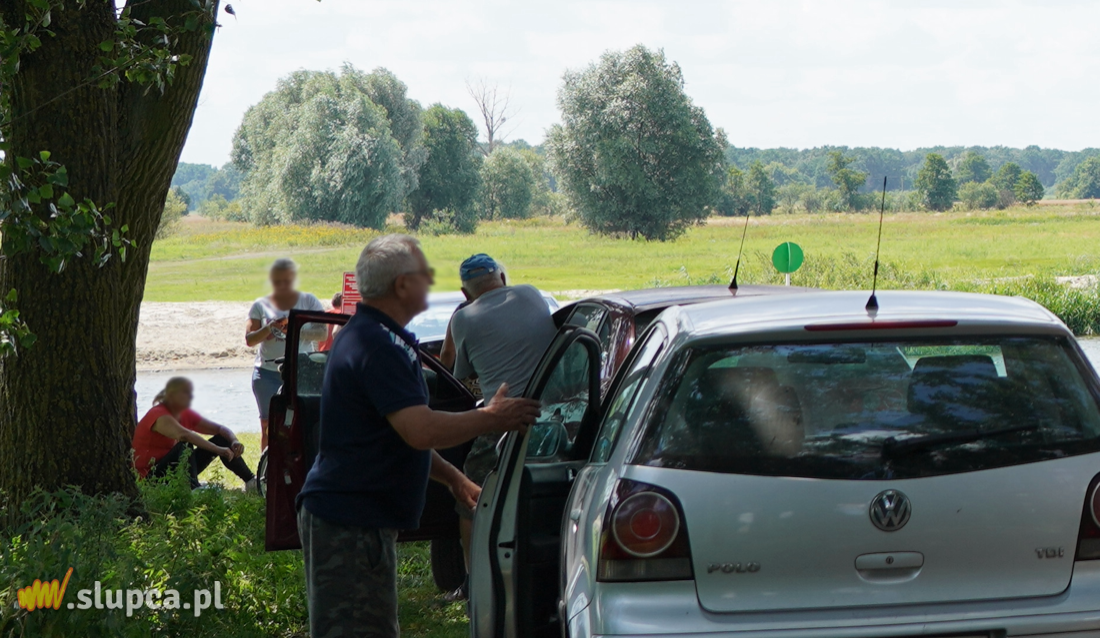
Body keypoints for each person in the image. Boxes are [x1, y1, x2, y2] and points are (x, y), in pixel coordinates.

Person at [296, 234, 541, 638]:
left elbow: (394, 436)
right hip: (351, 524)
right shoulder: (378, 345)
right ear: (402, 285)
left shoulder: (375, 335)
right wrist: (492, 417)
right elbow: (420, 428)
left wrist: (455, 480)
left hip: (356, 521)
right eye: (424, 271)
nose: (431, 278)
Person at [445, 253, 558, 600]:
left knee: (469, 493)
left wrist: (456, 323)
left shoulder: (465, 318)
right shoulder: (531, 293)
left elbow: (452, 372)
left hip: (504, 418)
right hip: (555, 414)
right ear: (503, 278)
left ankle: (473, 579)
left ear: (465, 294)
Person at [245, 258, 325, 449]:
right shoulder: (260, 304)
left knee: (301, 420)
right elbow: (249, 339)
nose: (283, 284)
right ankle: (266, 470)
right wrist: (269, 329)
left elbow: (322, 333)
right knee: (267, 424)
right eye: (278, 280)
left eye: (287, 280)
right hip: (267, 372)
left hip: (300, 370)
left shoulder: (309, 301)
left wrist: (294, 330)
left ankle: (297, 464)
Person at [132, 377, 256, 490]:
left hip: (172, 470)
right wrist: (219, 450)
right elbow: (184, 435)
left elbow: (219, 429)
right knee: (185, 444)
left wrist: (234, 441)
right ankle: (194, 488)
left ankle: (251, 481)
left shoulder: (184, 414)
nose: (189, 397)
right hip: (150, 477)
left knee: (221, 439)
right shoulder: (159, 414)